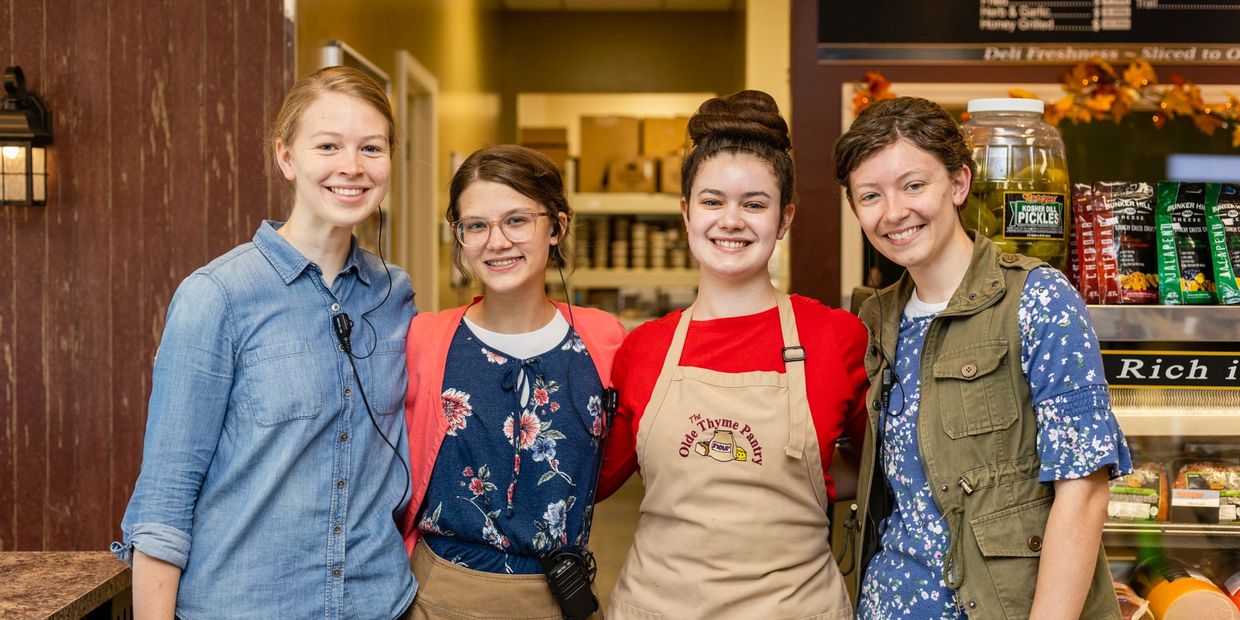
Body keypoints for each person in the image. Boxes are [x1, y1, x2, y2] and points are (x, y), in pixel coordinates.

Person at [112, 66, 416, 619]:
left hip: (378, 605)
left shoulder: (395, 294)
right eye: (328, 145)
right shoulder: (217, 296)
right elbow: (165, 496)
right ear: (286, 157)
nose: (352, 167)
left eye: (371, 148)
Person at [834, 96, 1132, 619]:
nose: (894, 211)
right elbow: (880, 476)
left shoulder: (1038, 299)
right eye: (870, 195)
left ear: (959, 184)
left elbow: (1084, 493)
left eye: (913, 185)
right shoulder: (874, 320)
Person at [597, 90, 868, 619]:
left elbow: (879, 465)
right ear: (686, 211)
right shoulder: (644, 349)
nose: (731, 220)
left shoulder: (833, 337)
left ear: (785, 218)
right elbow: (595, 480)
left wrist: (808, 478)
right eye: (712, 200)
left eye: (754, 204)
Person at [399, 145, 625, 619]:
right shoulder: (425, 339)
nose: (496, 241)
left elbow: (608, 462)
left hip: (564, 598)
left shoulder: (602, 339)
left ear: (558, 227)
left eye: (517, 220)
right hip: (442, 596)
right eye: (476, 225)